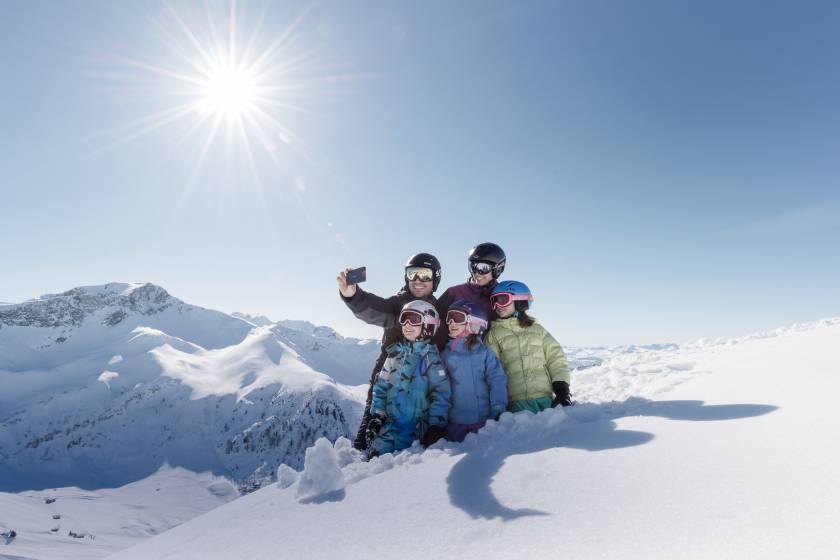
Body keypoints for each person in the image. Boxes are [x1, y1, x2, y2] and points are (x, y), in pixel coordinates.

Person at [337, 253, 445, 451]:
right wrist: (354, 295)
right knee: (368, 444)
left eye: (425, 275)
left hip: (422, 390)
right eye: (413, 274)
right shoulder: (398, 304)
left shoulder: (439, 310)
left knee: (414, 449)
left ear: (435, 278)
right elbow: (375, 309)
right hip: (386, 383)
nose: (418, 280)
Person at [366, 300, 451, 457]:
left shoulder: (431, 359)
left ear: (428, 325)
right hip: (390, 428)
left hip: (417, 432)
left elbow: (441, 394)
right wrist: (377, 415)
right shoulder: (394, 355)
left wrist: (436, 426)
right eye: (404, 319)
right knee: (374, 464)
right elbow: (381, 386)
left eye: (414, 319)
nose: (407, 324)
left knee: (403, 471)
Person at [485, 280, 572, 413]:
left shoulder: (538, 330)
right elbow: (491, 370)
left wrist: (562, 390)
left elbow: (556, 358)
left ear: (520, 300)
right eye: (494, 301)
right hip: (515, 404)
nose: (497, 305)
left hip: (545, 400)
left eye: (502, 299)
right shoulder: (494, 334)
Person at [440, 299, 508, 442]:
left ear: (474, 322)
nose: (451, 322)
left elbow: (497, 379)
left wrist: (498, 408)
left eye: (457, 318)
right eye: (449, 318)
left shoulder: (484, 353)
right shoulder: (446, 355)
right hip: (456, 423)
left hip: (484, 421)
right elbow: (441, 388)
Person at [438, 242, 506, 321]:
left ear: (497, 269)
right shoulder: (453, 293)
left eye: (483, 268)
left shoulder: (502, 297)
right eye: (473, 266)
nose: (476, 273)